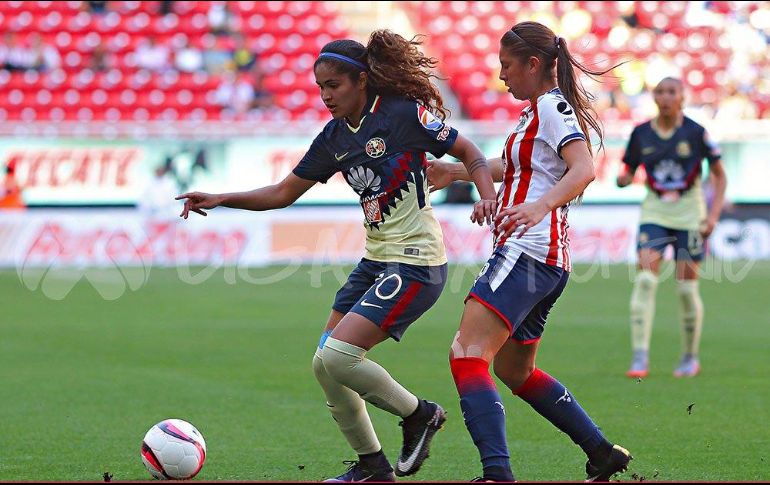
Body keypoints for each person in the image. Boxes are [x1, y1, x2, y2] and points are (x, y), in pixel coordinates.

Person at [176, 30, 498, 482]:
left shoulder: (402, 116)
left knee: (340, 356)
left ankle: (419, 414)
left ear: (361, 80)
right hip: (375, 262)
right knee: (324, 365)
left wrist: (485, 197)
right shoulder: (333, 137)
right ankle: (372, 466)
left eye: (334, 85)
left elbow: (469, 151)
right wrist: (221, 198)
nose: (326, 96)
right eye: (320, 88)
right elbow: (282, 193)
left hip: (416, 262)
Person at [427, 21, 632, 482]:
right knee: (515, 370)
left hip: (528, 253)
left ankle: (497, 474)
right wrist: (456, 172)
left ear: (533, 64)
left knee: (466, 354)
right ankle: (601, 453)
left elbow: (584, 169)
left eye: (507, 66)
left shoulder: (551, 107)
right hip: (545, 260)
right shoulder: (537, 112)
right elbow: (520, 165)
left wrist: (540, 205)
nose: (502, 76)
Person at [617, 77, 727, 379]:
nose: (665, 98)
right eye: (660, 92)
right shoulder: (641, 133)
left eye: (671, 92)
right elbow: (627, 168)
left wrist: (713, 215)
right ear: (654, 97)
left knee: (686, 288)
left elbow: (720, 175)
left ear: (682, 97)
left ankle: (690, 357)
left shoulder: (696, 132)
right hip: (654, 211)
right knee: (645, 281)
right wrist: (623, 178)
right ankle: (640, 357)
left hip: (690, 214)